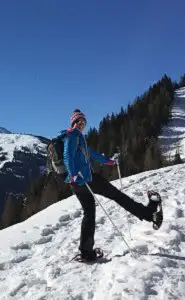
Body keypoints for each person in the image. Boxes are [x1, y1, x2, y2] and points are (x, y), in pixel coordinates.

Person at [62, 109, 159, 261]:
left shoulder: (80, 138)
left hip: (78, 183)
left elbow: (93, 154)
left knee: (89, 212)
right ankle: (149, 214)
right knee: (117, 195)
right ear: (74, 123)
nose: (82, 125)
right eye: (79, 122)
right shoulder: (72, 135)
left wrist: (110, 162)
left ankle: (86, 252)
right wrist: (74, 174)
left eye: (84, 122)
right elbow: (67, 156)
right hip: (85, 179)